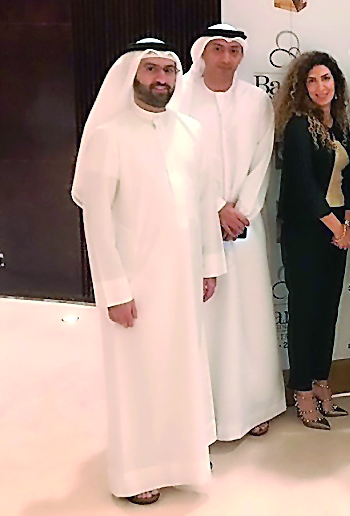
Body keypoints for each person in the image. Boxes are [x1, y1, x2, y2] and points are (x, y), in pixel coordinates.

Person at [72, 37, 225, 506]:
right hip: (135, 281)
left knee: (183, 367)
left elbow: (204, 203)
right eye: (152, 70)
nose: (162, 80)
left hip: (181, 279)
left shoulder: (191, 131)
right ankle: (138, 469)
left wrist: (209, 263)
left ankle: (182, 458)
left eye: (169, 71)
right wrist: (114, 289)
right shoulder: (109, 135)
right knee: (136, 374)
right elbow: (95, 218)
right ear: (133, 76)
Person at [171, 24, 286, 441]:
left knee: (249, 317)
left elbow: (262, 160)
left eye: (233, 50)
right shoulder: (180, 98)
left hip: (244, 229)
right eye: (217, 49)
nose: (225, 58)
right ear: (202, 52)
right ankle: (206, 415)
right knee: (207, 321)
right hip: (196, 228)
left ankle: (254, 406)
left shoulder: (256, 101)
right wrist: (215, 209)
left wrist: (242, 212)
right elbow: (179, 162)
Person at [275, 51, 350, 430]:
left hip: (336, 231)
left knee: (327, 311)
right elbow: (305, 190)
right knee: (306, 313)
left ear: (335, 84)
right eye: (312, 81)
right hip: (308, 232)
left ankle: (323, 381)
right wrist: (335, 228)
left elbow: (349, 181)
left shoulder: (338, 125)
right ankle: (303, 391)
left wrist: (349, 223)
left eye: (326, 79)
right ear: (301, 87)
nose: (320, 87)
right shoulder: (298, 127)